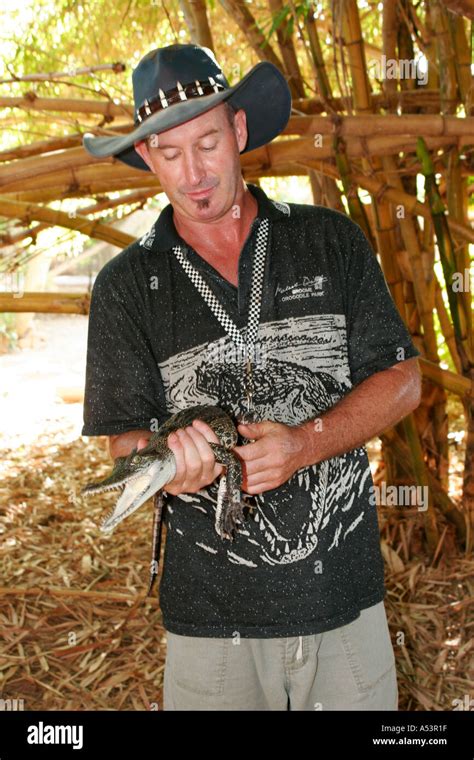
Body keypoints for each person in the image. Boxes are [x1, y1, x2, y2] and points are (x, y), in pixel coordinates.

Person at [81, 43, 421, 710]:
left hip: (343, 607)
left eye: (207, 142)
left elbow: (404, 380)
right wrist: (171, 466)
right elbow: (125, 447)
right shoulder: (125, 288)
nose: (193, 173)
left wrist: (306, 443)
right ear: (146, 157)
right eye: (169, 154)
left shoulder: (331, 240)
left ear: (239, 129)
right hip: (210, 632)